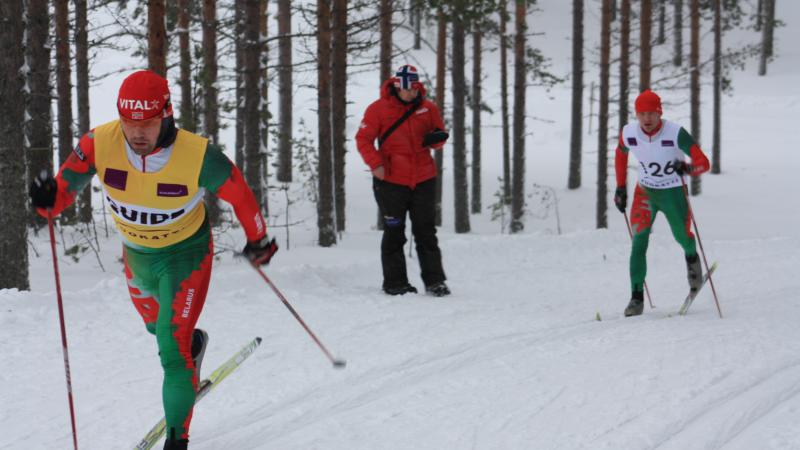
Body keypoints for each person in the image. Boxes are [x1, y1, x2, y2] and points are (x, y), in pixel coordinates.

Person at [28, 70, 277, 450]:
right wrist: (47, 198)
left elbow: (240, 195)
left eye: (147, 123)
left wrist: (258, 239)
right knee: (156, 330)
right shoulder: (99, 143)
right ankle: (191, 345)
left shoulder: (198, 155)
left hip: (186, 257)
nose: (138, 132)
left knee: (170, 346)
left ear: (167, 113)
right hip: (138, 258)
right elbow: (61, 195)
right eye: (130, 122)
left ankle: (178, 439)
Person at [355, 65, 451, 297]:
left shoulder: (428, 108)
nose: (412, 93)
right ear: (397, 87)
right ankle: (395, 283)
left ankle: (435, 282)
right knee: (394, 232)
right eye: (407, 90)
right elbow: (363, 139)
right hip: (391, 181)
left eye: (415, 88)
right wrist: (376, 165)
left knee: (426, 232)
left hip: (424, 178)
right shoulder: (378, 109)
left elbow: (437, 137)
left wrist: (438, 139)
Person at [613, 89, 711, 317]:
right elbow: (620, 155)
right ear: (637, 115)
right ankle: (636, 297)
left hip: (672, 193)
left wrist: (687, 168)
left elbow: (703, 163)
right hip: (645, 192)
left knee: (682, 237)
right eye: (642, 114)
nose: (647, 119)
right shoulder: (629, 132)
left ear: (660, 113)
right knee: (639, 240)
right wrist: (620, 187)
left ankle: (693, 264)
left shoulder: (675, 133)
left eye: (651, 114)